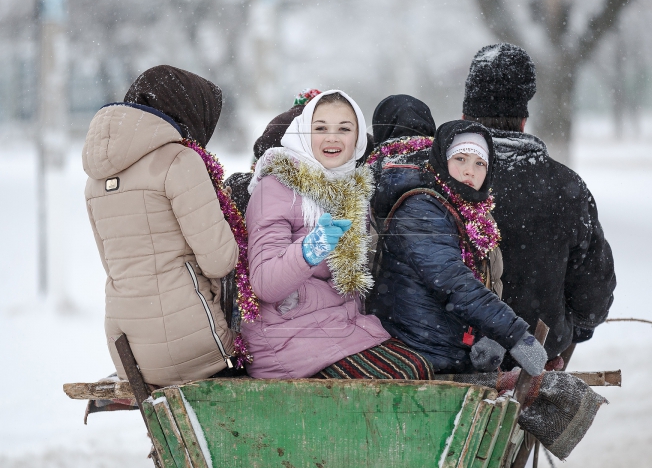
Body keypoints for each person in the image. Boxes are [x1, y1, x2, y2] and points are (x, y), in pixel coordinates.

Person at [243, 90, 433, 380]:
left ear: (357, 138)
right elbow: (265, 284)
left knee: (418, 365)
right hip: (284, 338)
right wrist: (310, 249)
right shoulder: (276, 188)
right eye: (321, 129)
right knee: (402, 376)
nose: (332, 138)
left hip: (334, 326)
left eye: (344, 129)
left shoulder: (350, 189)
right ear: (305, 134)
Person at [82, 65, 239, 386]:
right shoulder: (177, 161)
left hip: (128, 350)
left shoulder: (95, 181)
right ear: (189, 111)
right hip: (193, 340)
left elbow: (111, 263)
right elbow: (220, 260)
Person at [461, 43, 616, 363]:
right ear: (523, 121)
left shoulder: (435, 180)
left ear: (464, 118)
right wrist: (568, 332)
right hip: (535, 361)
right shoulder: (566, 188)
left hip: (443, 356)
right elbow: (593, 296)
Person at [367, 119, 548, 376]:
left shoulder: (466, 210)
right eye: (460, 159)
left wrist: (481, 337)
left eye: (479, 163)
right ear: (442, 160)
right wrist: (514, 334)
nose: (469, 172)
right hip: (420, 351)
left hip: (441, 346)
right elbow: (453, 282)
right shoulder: (422, 209)